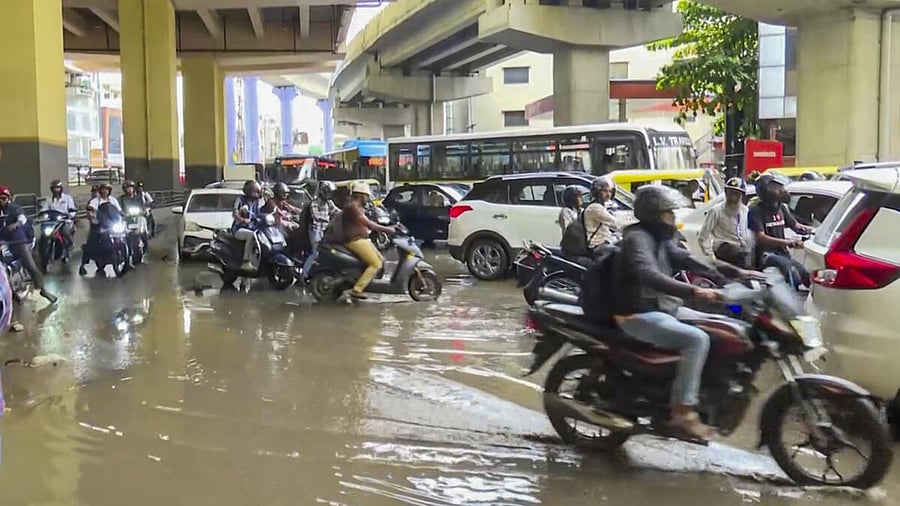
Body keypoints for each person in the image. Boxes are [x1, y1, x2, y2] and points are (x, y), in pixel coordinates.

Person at [612, 185, 756, 440]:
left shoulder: (660, 239)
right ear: (654, 215)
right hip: (637, 314)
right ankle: (682, 410)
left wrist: (736, 273)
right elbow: (649, 274)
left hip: (664, 309)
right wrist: (695, 292)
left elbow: (692, 260)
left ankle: (705, 391)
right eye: (669, 214)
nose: (673, 219)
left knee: (727, 328)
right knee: (696, 339)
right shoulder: (638, 239)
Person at [749, 172, 814, 288]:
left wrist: (815, 231)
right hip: (767, 255)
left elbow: (796, 226)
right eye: (777, 189)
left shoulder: (781, 208)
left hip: (783, 253)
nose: (782, 191)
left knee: (805, 274)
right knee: (791, 272)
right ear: (766, 191)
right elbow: (760, 238)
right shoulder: (756, 210)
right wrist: (787, 242)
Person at [0, 187, 57, 304]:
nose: (1, 201)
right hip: (3, 241)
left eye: (3, 198)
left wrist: (16, 224)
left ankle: (43, 289)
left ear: (8, 199)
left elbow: (22, 218)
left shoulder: (14, 208)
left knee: (29, 265)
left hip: (17, 241)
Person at [342, 181, 395, 300]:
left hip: (363, 239)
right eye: (366, 196)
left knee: (381, 260)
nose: (367, 198)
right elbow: (367, 223)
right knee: (376, 264)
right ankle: (357, 289)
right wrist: (387, 229)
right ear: (361, 196)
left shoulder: (358, 206)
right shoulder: (353, 207)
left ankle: (367, 282)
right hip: (355, 240)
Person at [697, 177, 752, 269]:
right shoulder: (716, 211)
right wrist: (711, 257)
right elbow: (703, 236)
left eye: (736, 194)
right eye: (730, 193)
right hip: (723, 251)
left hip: (742, 253)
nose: (732, 197)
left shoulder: (745, 211)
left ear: (742, 195)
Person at [80, 183, 121, 275]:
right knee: (92, 241)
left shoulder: (113, 200)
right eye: (103, 189)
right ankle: (83, 263)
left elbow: (118, 210)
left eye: (107, 189)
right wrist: (92, 213)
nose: (105, 191)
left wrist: (123, 215)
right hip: (99, 224)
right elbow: (91, 210)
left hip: (112, 223)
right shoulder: (95, 201)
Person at [302, 181, 339, 278]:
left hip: (325, 231)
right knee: (316, 253)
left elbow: (336, 211)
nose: (330, 194)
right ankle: (304, 275)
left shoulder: (329, 203)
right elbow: (316, 216)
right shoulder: (314, 203)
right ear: (323, 192)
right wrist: (329, 220)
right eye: (329, 192)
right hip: (316, 230)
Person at [232, 180, 263, 271]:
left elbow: (261, 213)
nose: (257, 194)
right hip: (239, 229)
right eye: (255, 192)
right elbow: (235, 213)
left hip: (253, 228)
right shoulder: (240, 200)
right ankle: (246, 262)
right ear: (249, 191)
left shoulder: (257, 201)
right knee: (251, 235)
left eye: (258, 192)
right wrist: (242, 220)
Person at [582, 176, 617, 248]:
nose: (608, 194)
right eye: (605, 191)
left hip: (603, 243)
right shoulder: (595, 208)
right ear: (596, 192)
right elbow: (615, 223)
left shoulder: (601, 206)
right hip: (597, 245)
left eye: (610, 191)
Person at [43, 179, 77, 253]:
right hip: (53, 221)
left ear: (61, 188)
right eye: (54, 188)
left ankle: (70, 245)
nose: (56, 190)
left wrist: (70, 215)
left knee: (65, 231)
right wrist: (42, 214)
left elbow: (72, 209)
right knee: (43, 233)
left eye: (57, 187)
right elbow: (44, 209)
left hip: (65, 220)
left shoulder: (67, 198)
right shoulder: (49, 199)